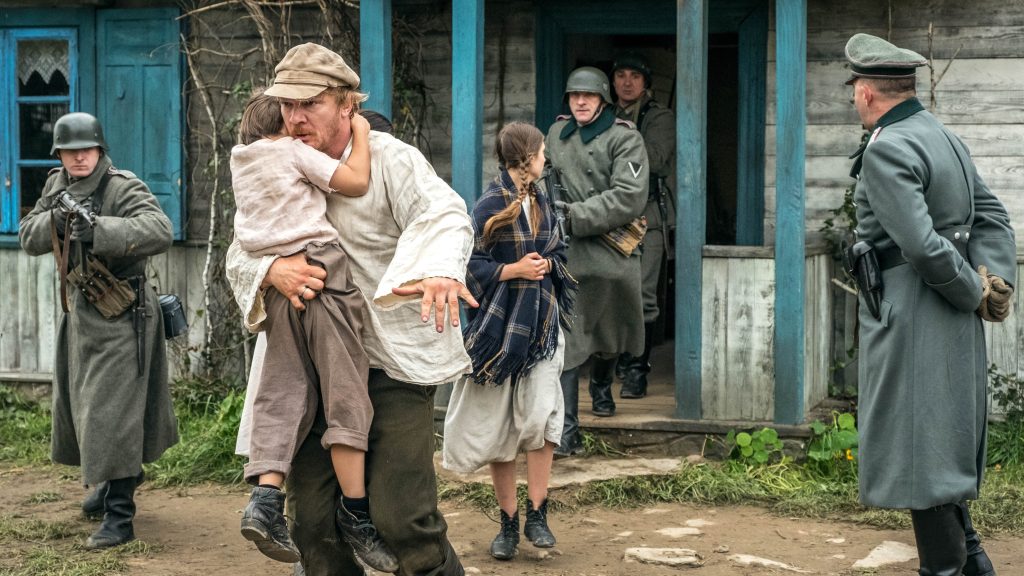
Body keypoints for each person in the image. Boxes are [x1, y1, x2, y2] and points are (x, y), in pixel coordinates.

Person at [225, 43, 477, 576]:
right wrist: (272, 269)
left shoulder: (389, 160)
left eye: (310, 103)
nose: (296, 117)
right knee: (312, 525)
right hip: (310, 365)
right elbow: (242, 243)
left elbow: (443, 212)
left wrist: (438, 268)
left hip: (389, 361)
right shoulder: (274, 157)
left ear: (346, 105)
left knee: (403, 519)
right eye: (288, 104)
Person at [844, 33, 1015, 576]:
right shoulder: (942, 136)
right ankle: (973, 561)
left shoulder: (887, 146)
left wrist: (973, 290)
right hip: (947, 310)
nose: (854, 98)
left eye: (854, 89)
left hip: (913, 310)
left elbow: (919, 244)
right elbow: (993, 217)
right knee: (938, 439)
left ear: (867, 92)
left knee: (921, 449)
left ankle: (944, 568)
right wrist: (994, 281)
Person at [229, 91, 397, 572]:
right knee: (346, 393)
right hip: (320, 277)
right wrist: (359, 128)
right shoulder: (293, 152)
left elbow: (243, 243)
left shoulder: (243, 162)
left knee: (281, 390)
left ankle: (265, 501)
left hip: (285, 295)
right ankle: (355, 513)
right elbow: (354, 181)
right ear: (287, 126)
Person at [18, 112, 177, 549]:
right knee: (84, 408)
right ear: (60, 155)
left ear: (100, 150)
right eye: (70, 151)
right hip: (82, 312)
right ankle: (110, 483)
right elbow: (28, 235)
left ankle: (120, 516)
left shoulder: (122, 187)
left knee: (114, 414)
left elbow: (160, 230)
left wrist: (99, 229)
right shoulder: (56, 186)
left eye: (86, 149)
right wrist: (55, 222)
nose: (79, 158)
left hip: (123, 313)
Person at [442, 122, 577, 560]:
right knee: (500, 425)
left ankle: (538, 514)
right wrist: (512, 270)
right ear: (527, 158)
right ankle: (508, 522)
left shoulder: (543, 198)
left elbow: (558, 251)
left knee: (542, 416)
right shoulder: (488, 205)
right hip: (498, 334)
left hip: (541, 327)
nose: (545, 158)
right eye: (542, 151)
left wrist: (546, 266)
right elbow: (466, 265)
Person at [544, 66, 649, 457]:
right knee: (568, 339)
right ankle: (567, 432)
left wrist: (574, 216)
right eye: (575, 96)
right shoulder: (557, 133)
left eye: (588, 96)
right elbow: (542, 177)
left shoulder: (624, 138)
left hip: (610, 250)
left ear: (603, 100)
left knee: (610, 334)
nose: (581, 102)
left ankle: (602, 385)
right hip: (568, 252)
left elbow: (628, 196)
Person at [611, 52, 676, 399]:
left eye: (634, 76)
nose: (627, 82)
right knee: (613, 293)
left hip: (647, 216)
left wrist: (618, 139)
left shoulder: (658, 116)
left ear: (645, 83)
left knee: (643, 296)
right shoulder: (604, 115)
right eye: (621, 75)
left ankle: (638, 370)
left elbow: (656, 160)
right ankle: (620, 358)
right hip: (609, 216)